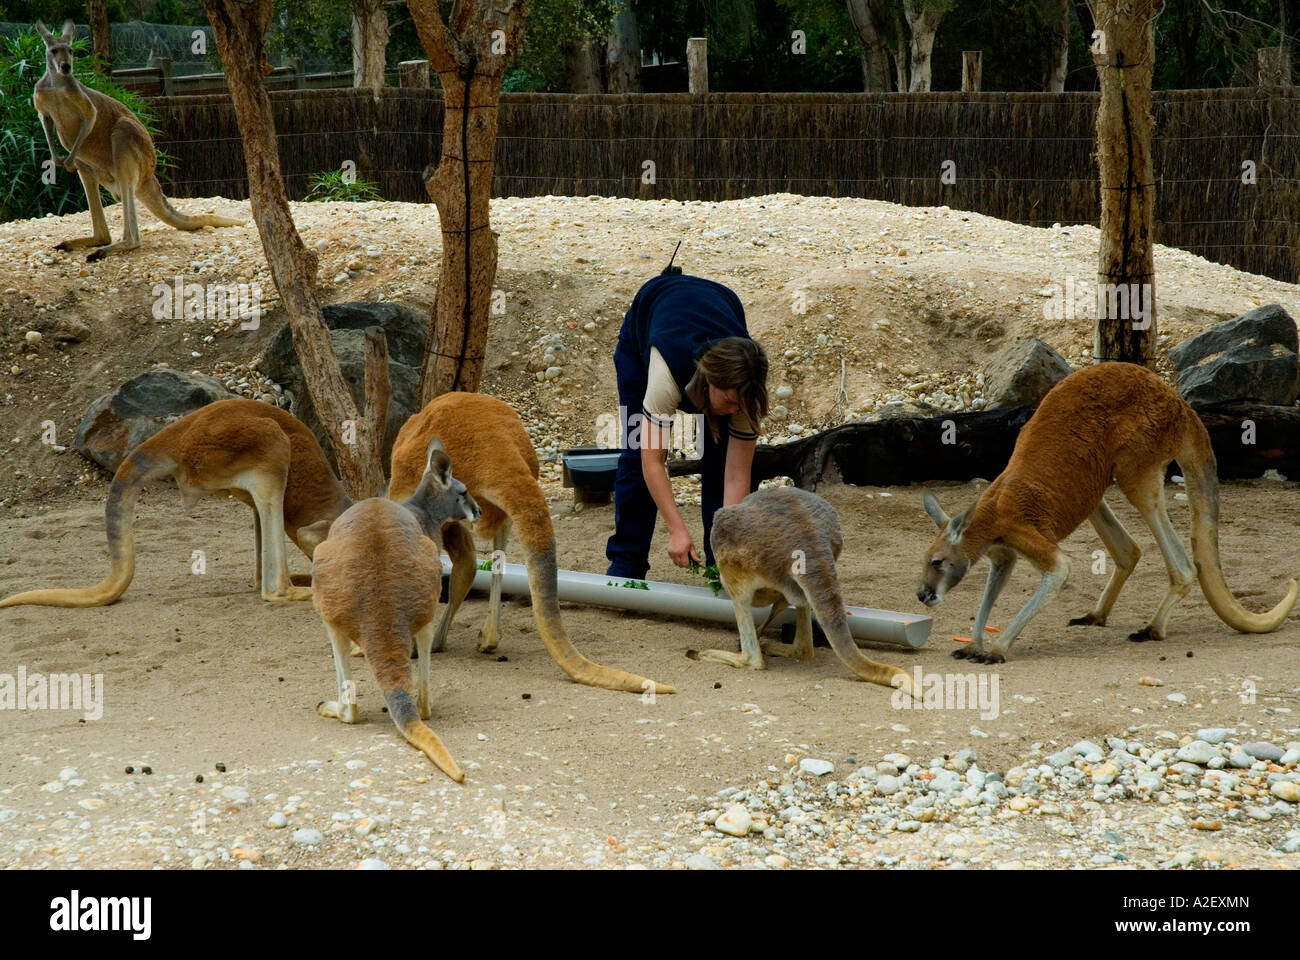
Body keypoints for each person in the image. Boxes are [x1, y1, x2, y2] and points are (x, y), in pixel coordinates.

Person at [605, 271, 769, 579]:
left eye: (740, 405)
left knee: (719, 461)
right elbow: (652, 462)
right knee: (635, 450)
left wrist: (728, 545)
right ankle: (627, 563)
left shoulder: (746, 390)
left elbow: (736, 475)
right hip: (650, 317)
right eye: (730, 401)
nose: (735, 410)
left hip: (721, 300)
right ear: (710, 383)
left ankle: (718, 564)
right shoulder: (665, 374)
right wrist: (676, 530)